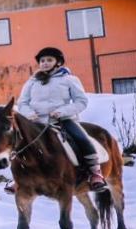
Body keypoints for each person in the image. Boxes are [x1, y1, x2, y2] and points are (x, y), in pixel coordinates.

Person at [15, 46, 106, 191]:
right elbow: (22, 102)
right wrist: (29, 113)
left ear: (58, 62)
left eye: (49, 60)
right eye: (42, 60)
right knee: (18, 143)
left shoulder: (69, 79)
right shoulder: (32, 81)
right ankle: (21, 178)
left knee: (82, 139)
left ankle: (95, 173)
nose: (45, 63)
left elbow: (81, 101)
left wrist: (61, 111)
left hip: (62, 120)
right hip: (35, 121)